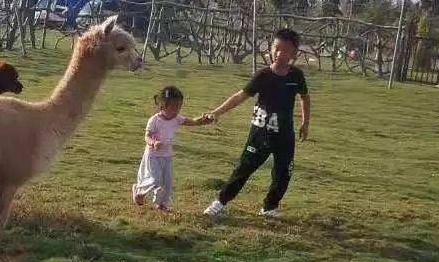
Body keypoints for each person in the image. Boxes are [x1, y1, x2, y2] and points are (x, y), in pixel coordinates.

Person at [202, 28, 309, 220]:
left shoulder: (296, 76)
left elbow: (304, 97)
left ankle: (270, 206)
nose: (280, 54)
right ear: (270, 49)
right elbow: (240, 96)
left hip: (285, 136)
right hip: (260, 134)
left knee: (283, 173)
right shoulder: (263, 76)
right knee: (243, 169)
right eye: (276, 48)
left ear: (293, 54)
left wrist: (305, 122)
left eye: (285, 50)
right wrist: (216, 112)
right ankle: (219, 202)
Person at [132, 85, 210, 212]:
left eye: (179, 108)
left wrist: (202, 120)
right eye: (173, 108)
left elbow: (192, 122)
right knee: (155, 180)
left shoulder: (177, 119)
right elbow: (147, 136)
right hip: (153, 155)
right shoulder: (154, 120)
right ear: (163, 105)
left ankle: (162, 204)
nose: (177, 111)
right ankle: (138, 190)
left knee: (166, 183)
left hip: (167, 156)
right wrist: (153, 143)